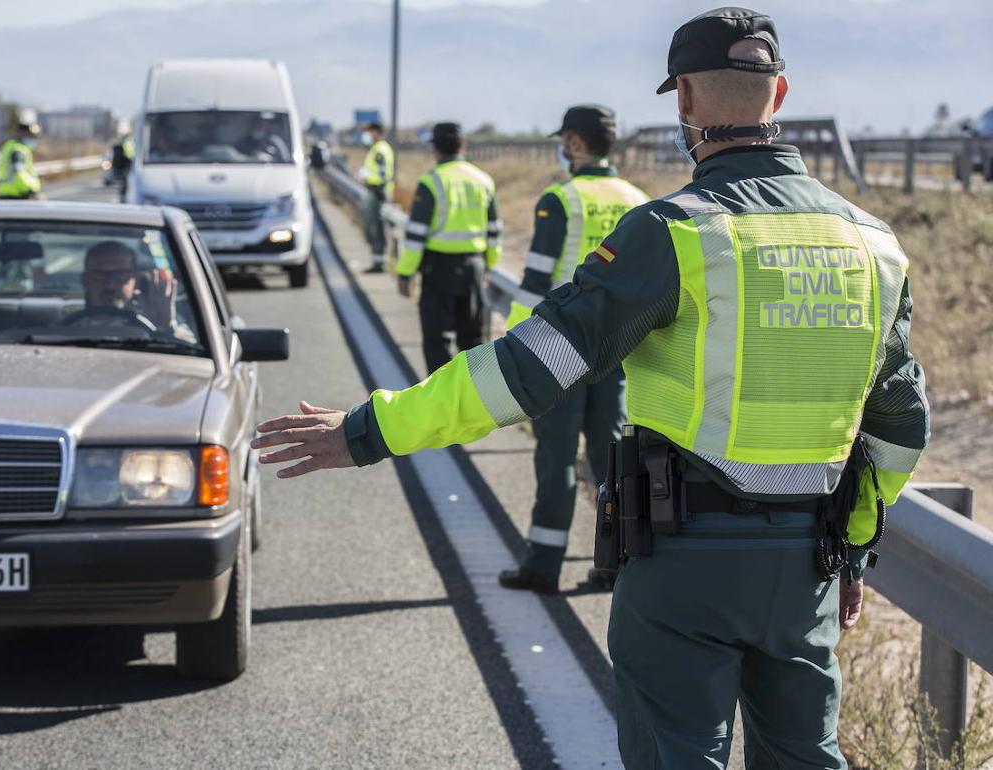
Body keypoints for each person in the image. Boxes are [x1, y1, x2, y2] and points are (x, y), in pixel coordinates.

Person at [251, 8, 929, 769]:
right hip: (807, 562)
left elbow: (527, 370)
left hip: (684, 565)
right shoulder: (875, 245)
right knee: (808, 757)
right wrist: (854, 544)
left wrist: (370, 430)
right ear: (779, 96)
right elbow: (902, 427)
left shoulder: (678, 231)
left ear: (684, 103)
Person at [498, 105, 651, 595]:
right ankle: (612, 566)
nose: (562, 150)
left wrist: (518, 351)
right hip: (618, 352)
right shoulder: (639, 201)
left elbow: (535, 281)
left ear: (578, 144)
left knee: (557, 459)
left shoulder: (560, 199)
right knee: (610, 463)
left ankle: (543, 566)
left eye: (564, 140)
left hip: (559, 353)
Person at [397, 122, 503, 373]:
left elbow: (415, 237)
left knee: (437, 342)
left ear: (434, 148)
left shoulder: (431, 182)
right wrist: (488, 263)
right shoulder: (484, 180)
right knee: (474, 341)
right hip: (474, 267)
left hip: (438, 271)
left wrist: (405, 272)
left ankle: (442, 405)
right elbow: (495, 231)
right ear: (463, 146)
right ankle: (474, 402)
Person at [76, 240, 194, 343]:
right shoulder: (60, 322)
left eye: (121, 275)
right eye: (100, 275)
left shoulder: (160, 317)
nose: (110, 285)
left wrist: (163, 328)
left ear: (136, 281)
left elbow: (192, 353)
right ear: (85, 281)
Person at [357, 122, 395, 273]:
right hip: (374, 191)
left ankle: (379, 264)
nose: (366, 135)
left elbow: (382, 174)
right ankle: (377, 262)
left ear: (375, 132)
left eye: (369, 132)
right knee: (372, 228)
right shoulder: (377, 148)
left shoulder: (380, 150)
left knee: (376, 228)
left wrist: (368, 177)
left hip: (378, 193)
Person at [0, 118, 42, 200]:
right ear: (21, 134)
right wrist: (30, 190)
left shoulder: (10, 146)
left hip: (8, 196)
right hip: (17, 197)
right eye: (31, 135)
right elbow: (18, 174)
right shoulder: (18, 151)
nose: (33, 139)